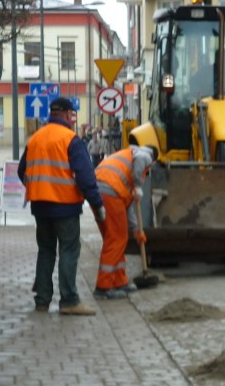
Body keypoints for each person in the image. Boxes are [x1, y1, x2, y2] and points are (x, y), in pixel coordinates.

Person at [18, 97, 106, 315]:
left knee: (46, 250)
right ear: (68, 114)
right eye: (72, 115)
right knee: (69, 250)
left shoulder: (35, 139)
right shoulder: (71, 140)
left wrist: (39, 187)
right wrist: (97, 204)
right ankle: (69, 300)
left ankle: (42, 300)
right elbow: (86, 178)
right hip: (65, 206)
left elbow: (22, 171)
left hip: (40, 206)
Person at [93, 145, 158, 299]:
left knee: (115, 238)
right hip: (110, 191)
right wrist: (138, 186)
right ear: (153, 162)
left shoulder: (126, 159)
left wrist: (136, 230)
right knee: (116, 239)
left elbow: (127, 206)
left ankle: (119, 281)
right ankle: (103, 287)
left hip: (99, 191)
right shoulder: (144, 154)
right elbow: (142, 160)